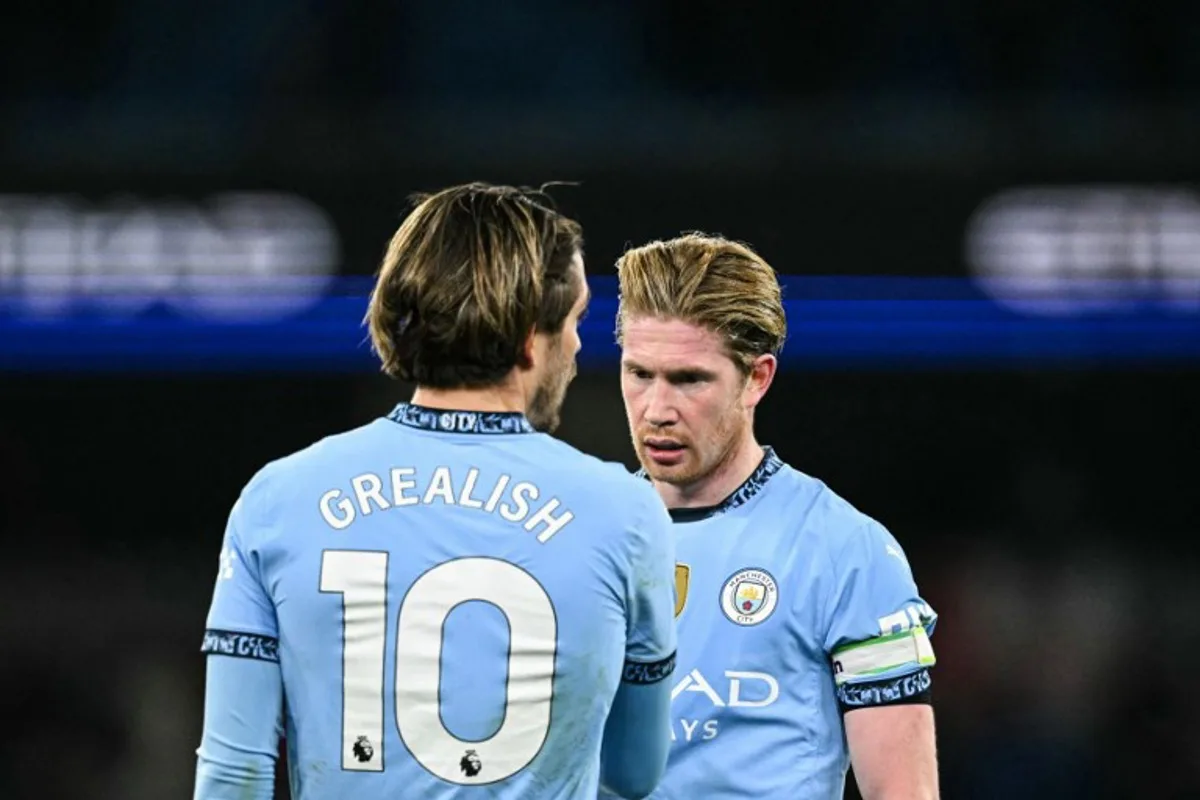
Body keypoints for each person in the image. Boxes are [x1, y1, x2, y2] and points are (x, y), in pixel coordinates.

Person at [193, 183, 678, 800]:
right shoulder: (627, 511)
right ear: (531, 334)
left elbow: (233, 775)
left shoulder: (276, 500)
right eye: (578, 318)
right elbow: (634, 771)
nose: (582, 345)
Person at [606, 233, 939, 799]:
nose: (657, 410)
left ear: (757, 378)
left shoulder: (844, 550)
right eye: (640, 374)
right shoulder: (582, 533)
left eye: (689, 379)